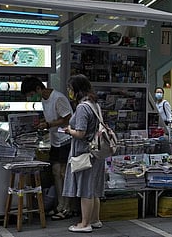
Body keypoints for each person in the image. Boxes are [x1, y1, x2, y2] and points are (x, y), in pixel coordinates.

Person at [21, 76, 74, 220]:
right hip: (55, 141)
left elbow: (68, 118)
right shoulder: (44, 99)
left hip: (66, 139)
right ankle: (60, 205)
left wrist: (49, 125)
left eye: (31, 95)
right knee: (56, 173)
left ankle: (67, 208)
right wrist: (44, 123)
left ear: (38, 89)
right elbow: (54, 117)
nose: (30, 98)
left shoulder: (58, 98)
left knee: (63, 173)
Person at [62, 74, 104, 233]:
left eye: (70, 89)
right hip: (96, 152)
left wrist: (69, 130)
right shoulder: (94, 104)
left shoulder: (81, 107)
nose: (69, 91)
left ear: (76, 90)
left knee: (85, 189)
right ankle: (95, 219)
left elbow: (80, 133)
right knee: (93, 189)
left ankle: (84, 223)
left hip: (84, 153)